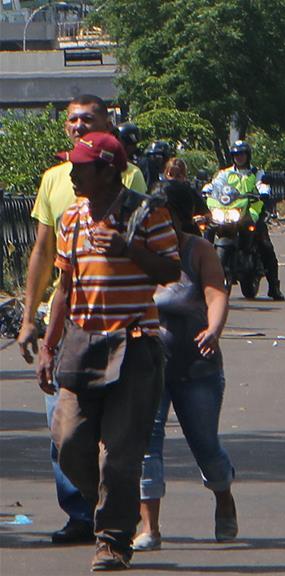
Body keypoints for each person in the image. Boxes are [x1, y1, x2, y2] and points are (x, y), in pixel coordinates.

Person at [39, 132, 181, 570]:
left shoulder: (147, 213)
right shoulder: (72, 218)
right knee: (69, 442)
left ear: (107, 170)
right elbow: (65, 287)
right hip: (82, 343)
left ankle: (113, 542)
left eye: (80, 167)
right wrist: (48, 346)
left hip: (135, 345)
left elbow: (171, 270)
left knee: (120, 454)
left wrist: (129, 250)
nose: (73, 174)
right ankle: (109, 512)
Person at [17, 94, 147, 546]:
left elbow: (148, 249)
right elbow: (43, 250)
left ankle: (116, 520)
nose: (75, 125)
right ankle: (82, 512)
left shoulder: (125, 174)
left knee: (119, 440)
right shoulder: (55, 179)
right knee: (64, 432)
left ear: (108, 124)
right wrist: (32, 320)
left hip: (125, 328)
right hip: (70, 318)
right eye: (71, 119)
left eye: (86, 119)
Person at [132, 181, 236, 552]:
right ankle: (150, 528)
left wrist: (214, 329)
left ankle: (224, 498)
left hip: (197, 369)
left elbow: (216, 292)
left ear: (178, 217)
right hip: (148, 366)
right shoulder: (141, 252)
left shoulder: (198, 250)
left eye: (165, 217)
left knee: (205, 445)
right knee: (147, 446)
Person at [211, 140, 284, 300]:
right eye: (236, 154)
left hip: (252, 211)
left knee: (265, 245)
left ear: (248, 155)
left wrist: (264, 191)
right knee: (208, 228)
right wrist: (207, 189)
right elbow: (215, 185)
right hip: (229, 210)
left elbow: (262, 184)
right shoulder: (225, 173)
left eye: (242, 154)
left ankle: (274, 287)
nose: (239, 157)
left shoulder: (256, 173)